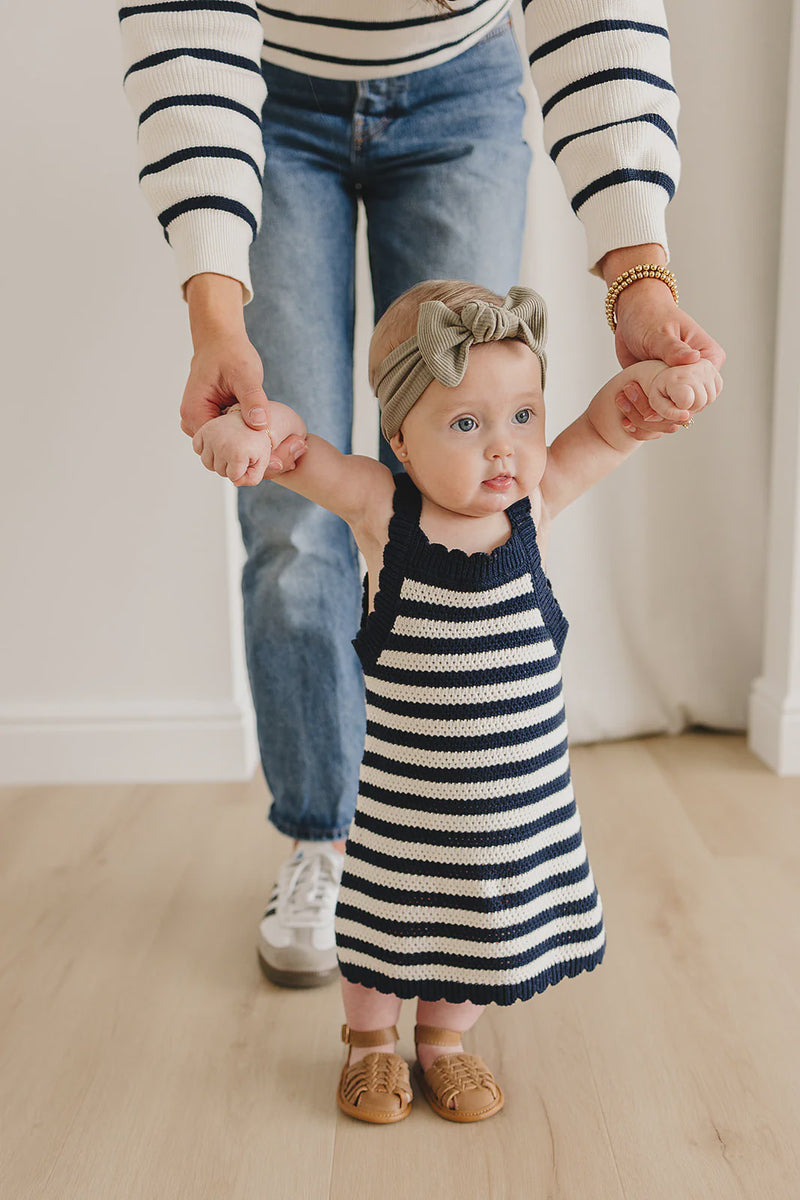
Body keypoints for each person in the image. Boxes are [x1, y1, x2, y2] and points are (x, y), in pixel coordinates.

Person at [118, 1, 725, 987]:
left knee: (479, 497)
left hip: (461, 90)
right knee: (291, 527)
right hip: (259, 92)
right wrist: (215, 314)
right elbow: (183, 24)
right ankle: (327, 840)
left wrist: (638, 276)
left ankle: (453, 852)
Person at [191, 280, 722, 1121]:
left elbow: (609, 427)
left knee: (481, 925)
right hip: (408, 809)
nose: (504, 449)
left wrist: (658, 385)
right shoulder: (384, 511)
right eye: (467, 424)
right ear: (400, 437)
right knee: (382, 925)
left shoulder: (535, 510)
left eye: (523, 416)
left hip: (514, 811)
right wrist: (252, 433)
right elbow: (299, 453)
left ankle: (444, 1042)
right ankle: (370, 1044)